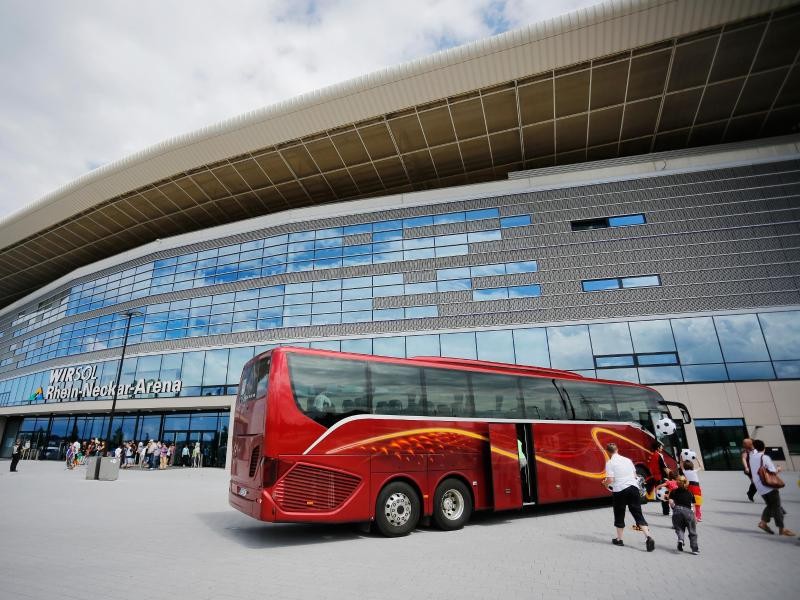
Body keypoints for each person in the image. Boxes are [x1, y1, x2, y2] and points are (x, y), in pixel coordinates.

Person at [602, 443, 655, 551]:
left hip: (620, 490)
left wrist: (605, 484)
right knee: (637, 513)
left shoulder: (610, 463)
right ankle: (648, 536)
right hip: (633, 488)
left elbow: (611, 480)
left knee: (619, 513)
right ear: (617, 449)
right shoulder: (627, 460)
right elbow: (635, 476)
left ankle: (619, 539)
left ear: (607, 452)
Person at [749, 439, 794, 537]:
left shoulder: (751, 457)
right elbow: (773, 472)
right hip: (768, 486)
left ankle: (763, 523)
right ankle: (782, 529)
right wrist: (779, 469)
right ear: (763, 447)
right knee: (776, 507)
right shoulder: (764, 457)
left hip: (760, 487)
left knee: (770, 505)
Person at [669, 475, 699, 554]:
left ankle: (681, 540)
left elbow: (671, 502)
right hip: (688, 512)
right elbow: (692, 505)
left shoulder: (673, 491)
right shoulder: (690, 493)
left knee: (679, 528)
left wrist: (674, 508)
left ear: (677, 483)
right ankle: (694, 549)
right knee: (692, 531)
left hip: (677, 511)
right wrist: (695, 516)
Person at [648, 441, 671, 515]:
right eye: (661, 446)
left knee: (662, 492)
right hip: (661, 476)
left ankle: (665, 511)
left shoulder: (653, 455)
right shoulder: (659, 455)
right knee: (665, 492)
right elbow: (664, 467)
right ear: (658, 448)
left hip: (656, 476)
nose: (662, 448)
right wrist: (671, 475)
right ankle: (666, 511)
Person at [742, 437, 757, 502]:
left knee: (757, 482)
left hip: (756, 468)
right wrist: (746, 467)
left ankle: (750, 493)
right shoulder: (745, 451)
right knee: (755, 482)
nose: (744, 444)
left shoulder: (756, 450)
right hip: (749, 469)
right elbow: (744, 459)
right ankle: (750, 493)